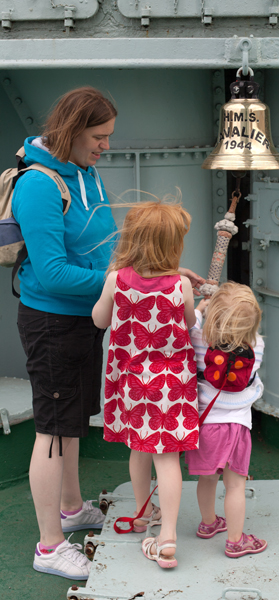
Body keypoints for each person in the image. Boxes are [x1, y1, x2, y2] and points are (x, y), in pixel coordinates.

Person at [13, 87, 119, 580]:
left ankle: (72, 509)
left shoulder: (86, 173)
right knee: (53, 430)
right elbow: (53, 273)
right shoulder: (39, 185)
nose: (105, 146)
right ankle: (50, 546)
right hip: (52, 323)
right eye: (98, 137)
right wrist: (124, 282)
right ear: (73, 130)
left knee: (72, 420)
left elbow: (100, 247)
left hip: (84, 319)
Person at [92, 200, 200, 570]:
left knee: (138, 447)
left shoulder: (116, 280)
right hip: (173, 385)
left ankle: (143, 514)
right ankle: (166, 535)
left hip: (133, 384)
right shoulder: (181, 285)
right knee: (166, 458)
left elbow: (99, 320)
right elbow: (189, 322)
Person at [186, 282, 268, 558]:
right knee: (234, 486)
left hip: (205, 424)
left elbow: (191, 323)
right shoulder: (256, 346)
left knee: (207, 479)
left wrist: (200, 310)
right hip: (236, 426)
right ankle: (235, 541)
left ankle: (209, 523)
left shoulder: (197, 338)